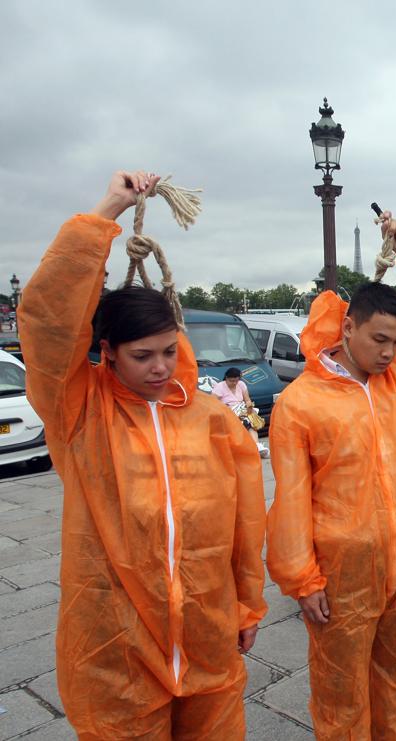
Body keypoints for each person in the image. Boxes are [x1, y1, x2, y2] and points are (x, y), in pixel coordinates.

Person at [19, 170, 267, 739]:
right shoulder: (79, 412)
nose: (158, 367)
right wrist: (107, 212)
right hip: (117, 646)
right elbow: (48, 321)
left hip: (208, 639)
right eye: (141, 355)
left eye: (167, 352)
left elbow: (244, 521)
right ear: (107, 352)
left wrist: (247, 607)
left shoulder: (210, 420)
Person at [266, 210, 396, 740]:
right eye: (378, 339)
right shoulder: (300, 403)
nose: (390, 352)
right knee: (341, 692)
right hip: (342, 574)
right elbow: (292, 501)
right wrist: (302, 579)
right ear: (348, 326)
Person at [211, 367, 270, 457]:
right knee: (247, 421)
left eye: (236, 381)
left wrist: (249, 406)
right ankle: (256, 446)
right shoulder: (220, 387)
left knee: (249, 420)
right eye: (231, 381)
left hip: (241, 408)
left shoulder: (241, 384)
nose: (234, 383)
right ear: (226, 378)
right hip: (227, 411)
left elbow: (247, 399)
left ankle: (257, 446)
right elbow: (213, 403)